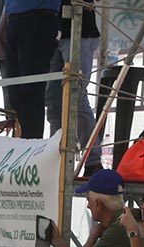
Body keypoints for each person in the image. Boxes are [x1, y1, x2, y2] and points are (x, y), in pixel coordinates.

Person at [46, 169, 141, 247]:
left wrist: (56, 241)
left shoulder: (118, 228)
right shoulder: (125, 218)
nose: (88, 206)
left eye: (88, 201)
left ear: (98, 204)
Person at [45, 0, 100, 152]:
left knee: (77, 97)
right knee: (53, 101)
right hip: (52, 31)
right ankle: (55, 155)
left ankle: (92, 159)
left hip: (79, 30)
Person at [2, 0, 60, 139]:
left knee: (31, 90)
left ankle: (33, 142)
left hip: (39, 18)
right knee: (15, 94)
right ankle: (29, 139)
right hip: (14, 19)